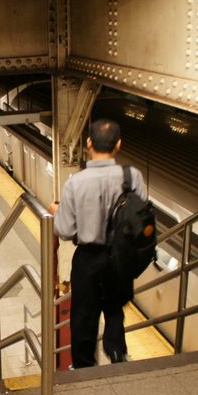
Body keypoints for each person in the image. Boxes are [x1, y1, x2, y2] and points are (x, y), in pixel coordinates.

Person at [48, 118, 147, 368]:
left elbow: (64, 229)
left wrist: (57, 211)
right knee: (115, 308)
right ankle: (117, 354)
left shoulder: (75, 182)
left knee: (83, 316)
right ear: (118, 145)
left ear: (89, 143)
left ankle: (83, 366)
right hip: (120, 257)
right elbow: (141, 216)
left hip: (88, 258)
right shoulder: (132, 177)